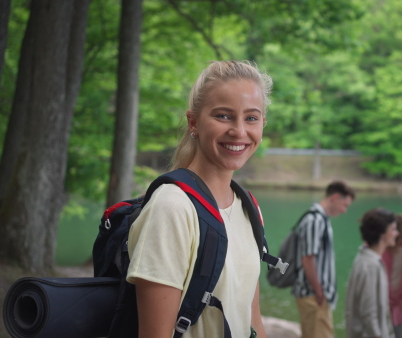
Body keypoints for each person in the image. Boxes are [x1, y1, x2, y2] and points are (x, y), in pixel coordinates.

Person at [126, 60, 272, 338]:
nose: (239, 131)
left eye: (251, 118)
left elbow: (252, 321)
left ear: (262, 124)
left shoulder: (249, 207)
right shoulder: (172, 208)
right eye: (223, 116)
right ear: (194, 122)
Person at [293, 180, 356, 338]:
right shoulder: (315, 221)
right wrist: (319, 292)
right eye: (345, 205)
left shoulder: (321, 219)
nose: (344, 210)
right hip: (313, 296)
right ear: (335, 198)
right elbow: (308, 259)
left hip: (315, 295)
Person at [345, 207, 399, 338]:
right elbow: (369, 313)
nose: (397, 233)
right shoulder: (370, 265)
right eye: (393, 229)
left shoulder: (367, 258)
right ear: (382, 233)